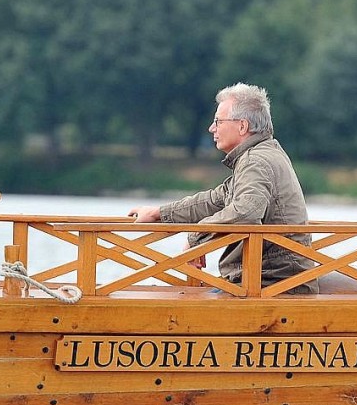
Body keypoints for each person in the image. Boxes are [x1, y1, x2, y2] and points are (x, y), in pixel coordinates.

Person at [129, 83, 318, 294]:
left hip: (274, 282)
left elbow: (245, 213)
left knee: (173, 309)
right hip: (269, 278)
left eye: (218, 121)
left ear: (242, 126)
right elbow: (215, 200)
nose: (212, 128)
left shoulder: (256, 161)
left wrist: (196, 239)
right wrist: (158, 213)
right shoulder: (261, 154)